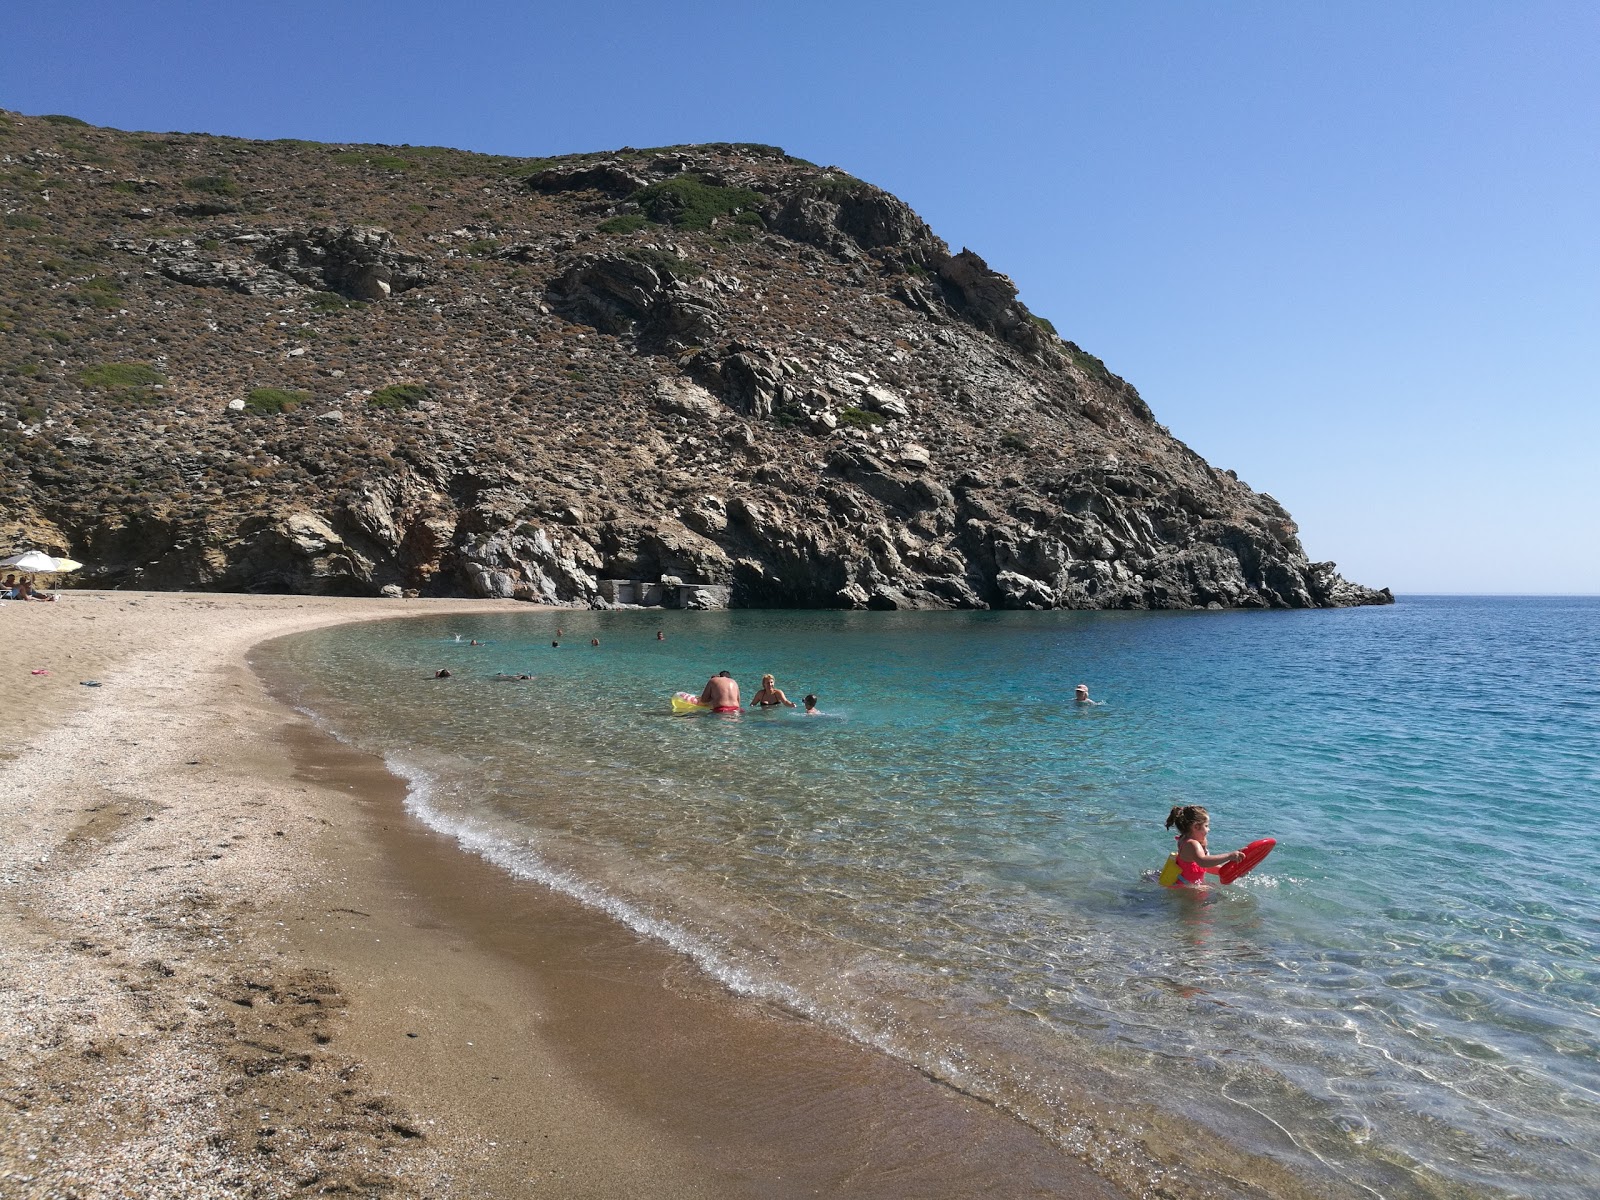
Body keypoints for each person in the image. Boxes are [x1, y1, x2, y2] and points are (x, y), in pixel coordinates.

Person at [1164, 805, 1244, 886]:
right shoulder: (1192, 844)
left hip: (1183, 882)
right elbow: (1203, 862)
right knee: (1219, 897)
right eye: (1206, 826)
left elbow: (1205, 866)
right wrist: (1229, 856)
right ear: (1196, 827)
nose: (1209, 829)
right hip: (1186, 887)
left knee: (1215, 891)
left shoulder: (1184, 839)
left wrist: (1228, 872)